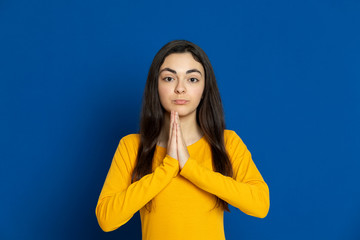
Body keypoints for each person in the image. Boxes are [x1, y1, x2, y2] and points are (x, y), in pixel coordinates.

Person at [95, 40, 270, 240]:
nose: (180, 88)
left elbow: (260, 204)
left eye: (192, 79)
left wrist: (190, 167)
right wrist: (167, 168)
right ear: (156, 85)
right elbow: (106, 219)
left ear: (205, 88)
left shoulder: (226, 143)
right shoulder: (132, 146)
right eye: (169, 78)